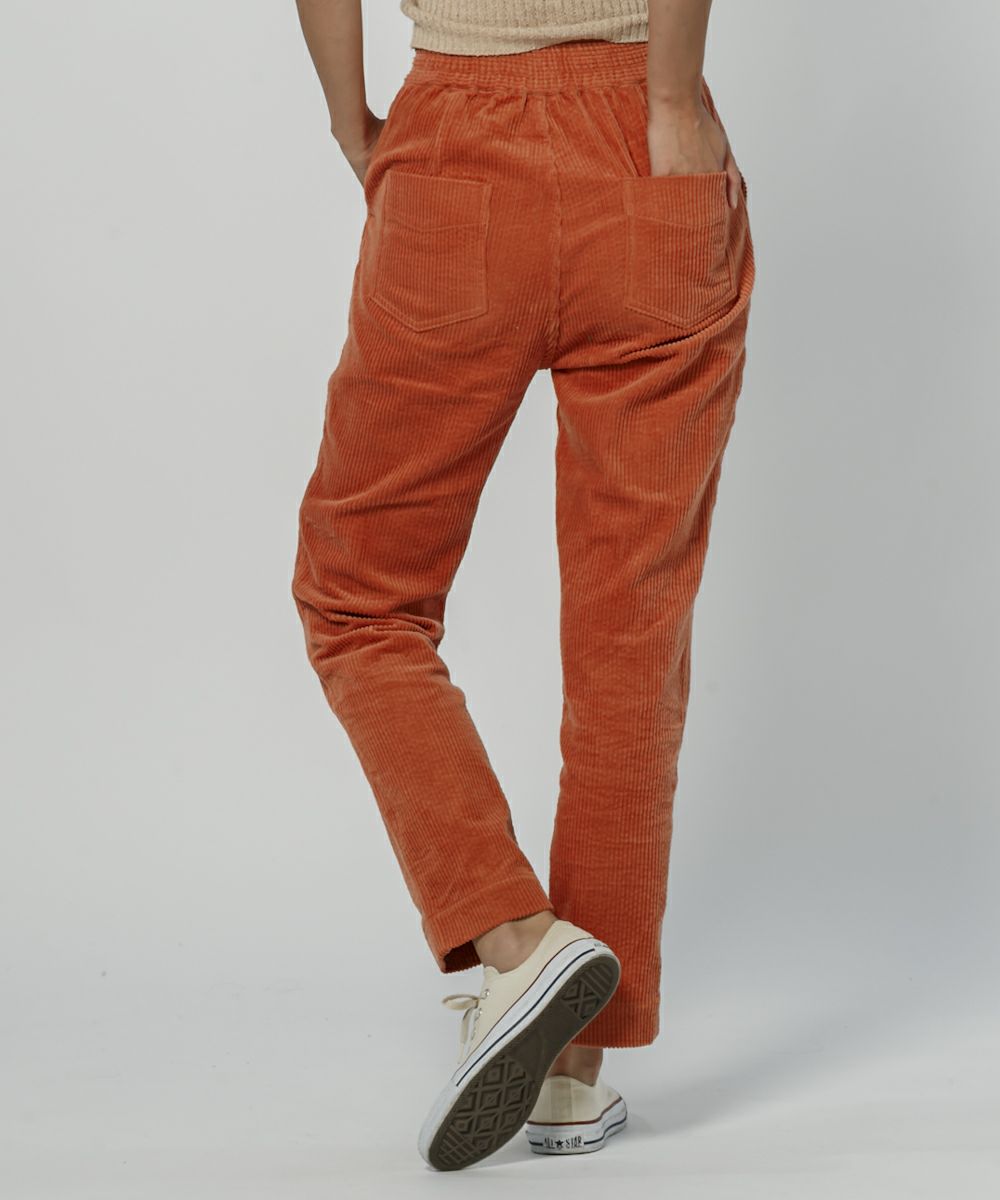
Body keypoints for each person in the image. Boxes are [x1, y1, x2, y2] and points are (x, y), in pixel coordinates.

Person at [291, 0, 754, 1171]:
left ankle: (516, 941)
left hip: (451, 145)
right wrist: (666, 99)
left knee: (360, 601)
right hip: (648, 144)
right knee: (630, 637)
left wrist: (352, 127)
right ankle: (568, 1075)